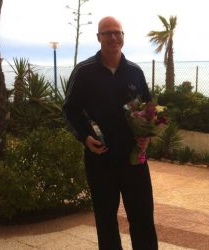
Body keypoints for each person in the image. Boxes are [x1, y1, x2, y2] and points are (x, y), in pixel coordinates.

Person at [62, 16, 158, 250]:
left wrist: (147, 136)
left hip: (134, 158)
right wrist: (85, 137)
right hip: (100, 156)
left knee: (143, 216)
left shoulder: (135, 72)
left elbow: (148, 110)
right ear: (98, 38)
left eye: (118, 33)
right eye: (108, 33)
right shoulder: (84, 72)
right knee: (105, 219)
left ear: (123, 37)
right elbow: (69, 110)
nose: (114, 37)